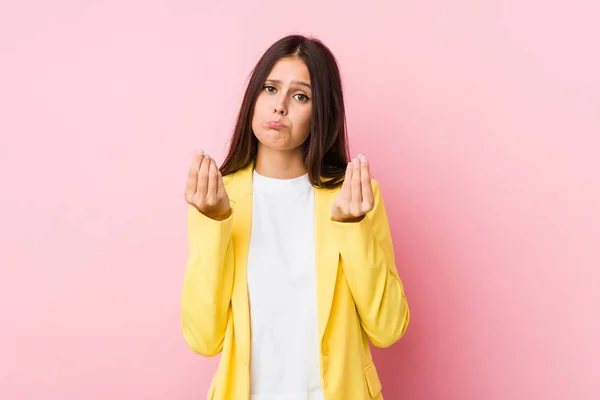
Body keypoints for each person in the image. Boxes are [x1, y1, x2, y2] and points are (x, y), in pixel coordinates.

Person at [180, 34, 410, 400]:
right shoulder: (219, 198)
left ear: (322, 112)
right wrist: (215, 222)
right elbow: (203, 339)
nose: (280, 107)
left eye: (300, 96)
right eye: (270, 89)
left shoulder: (353, 195)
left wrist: (351, 228)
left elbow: (388, 328)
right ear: (252, 97)